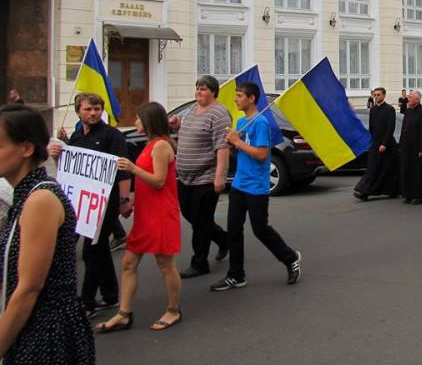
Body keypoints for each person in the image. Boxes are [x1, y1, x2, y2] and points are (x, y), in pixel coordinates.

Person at [0, 104, 94, 363]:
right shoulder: (24, 195)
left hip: (45, 336)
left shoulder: (40, 200)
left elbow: (29, 289)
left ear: (26, 148)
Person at [95, 102, 182, 333]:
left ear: (149, 121)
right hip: (146, 214)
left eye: (138, 118)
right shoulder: (150, 144)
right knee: (128, 263)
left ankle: (173, 311)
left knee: (165, 264)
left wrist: (133, 169)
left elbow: (159, 181)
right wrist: (131, 199)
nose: (134, 123)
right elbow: (148, 181)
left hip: (161, 213)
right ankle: (124, 313)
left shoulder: (161, 146)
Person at [211, 82, 302, 291]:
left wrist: (238, 141)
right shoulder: (242, 121)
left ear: (251, 99)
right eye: (236, 95)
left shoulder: (261, 123)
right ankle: (236, 275)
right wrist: (232, 145)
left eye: (240, 95)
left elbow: (262, 155)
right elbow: (242, 153)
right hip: (240, 184)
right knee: (234, 229)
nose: (236, 99)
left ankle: (290, 258)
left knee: (260, 229)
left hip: (256, 186)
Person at [47, 93, 131, 318]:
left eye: (97, 109)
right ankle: (111, 294)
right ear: (78, 111)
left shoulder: (112, 136)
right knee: (100, 249)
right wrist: (58, 155)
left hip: (105, 203)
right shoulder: (76, 136)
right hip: (80, 205)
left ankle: (87, 302)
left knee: (91, 251)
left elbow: (122, 169)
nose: (93, 113)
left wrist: (124, 201)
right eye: (88, 109)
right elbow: (71, 169)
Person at [170, 75, 231, 279]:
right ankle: (224, 239)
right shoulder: (192, 110)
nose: (198, 92)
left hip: (206, 177)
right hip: (186, 178)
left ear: (213, 92)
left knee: (201, 222)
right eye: (197, 88)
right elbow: (189, 133)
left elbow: (222, 147)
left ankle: (199, 263)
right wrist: (177, 125)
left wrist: (219, 176)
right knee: (192, 216)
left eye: (203, 89)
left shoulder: (219, 113)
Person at [354, 87, 398, 201]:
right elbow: (371, 127)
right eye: (375, 95)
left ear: (384, 95)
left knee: (387, 169)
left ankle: (391, 190)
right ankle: (364, 191)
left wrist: (384, 143)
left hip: (386, 144)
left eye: (379, 95)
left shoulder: (390, 109)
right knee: (372, 168)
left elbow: (390, 128)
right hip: (375, 143)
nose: (376, 97)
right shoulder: (373, 110)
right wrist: (370, 141)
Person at [399, 91, 422, 205]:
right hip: (407, 148)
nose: (408, 99)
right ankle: (408, 194)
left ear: (418, 100)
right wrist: (401, 144)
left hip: (418, 148)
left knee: (418, 173)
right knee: (408, 171)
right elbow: (404, 128)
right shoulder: (408, 111)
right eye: (408, 97)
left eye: (410, 97)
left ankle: (420, 196)